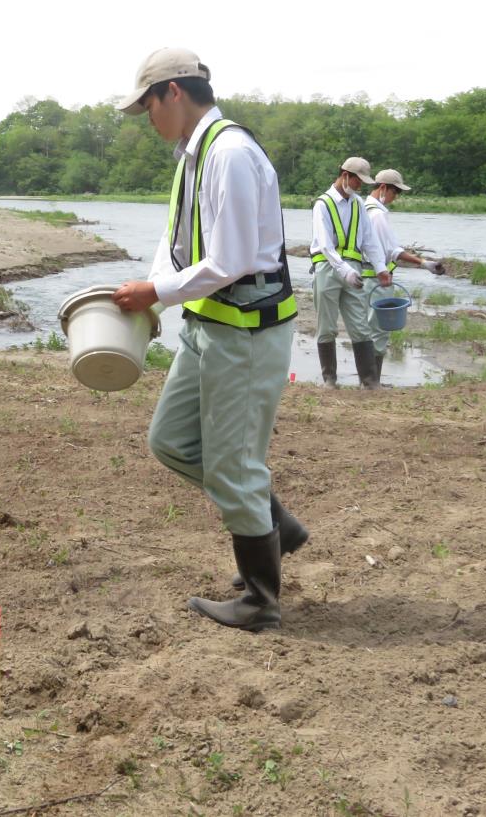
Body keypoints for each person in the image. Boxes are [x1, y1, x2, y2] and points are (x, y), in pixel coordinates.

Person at [111, 47, 304, 632]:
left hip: (245, 331)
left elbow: (234, 258)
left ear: (173, 91)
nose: (147, 118)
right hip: (207, 325)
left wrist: (158, 293)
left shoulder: (232, 154)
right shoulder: (191, 156)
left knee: (233, 466)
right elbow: (175, 245)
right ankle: (275, 527)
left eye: (148, 105)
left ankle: (261, 600)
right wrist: (149, 295)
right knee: (170, 440)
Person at [309, 157, 391, 388]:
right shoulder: (322, 204)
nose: (359, 186)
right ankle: (329, 380)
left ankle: (369, 381)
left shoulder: (358, 205)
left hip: (354, 270)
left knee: (360, 325)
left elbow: (370, 240)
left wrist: (381, 268)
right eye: (357, 180)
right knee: (326, 325)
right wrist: (343, 270)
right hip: (327, 267)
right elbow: (324, 244)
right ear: (345, 175)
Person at [360, 168, 446, 383]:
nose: (396, 197)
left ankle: (369, 381)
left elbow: (390, 249)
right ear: (382, 188)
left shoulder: (363, 208)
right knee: (379, 329)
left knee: (369, 328)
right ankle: (371, 383)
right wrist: (423, 263)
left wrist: (423, 262)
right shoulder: (377, 214)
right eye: (395, 192)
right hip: (377, 280)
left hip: (367, 279)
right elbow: (390, 251)